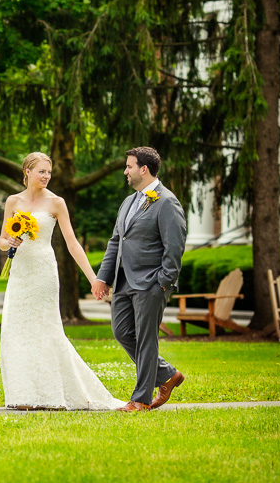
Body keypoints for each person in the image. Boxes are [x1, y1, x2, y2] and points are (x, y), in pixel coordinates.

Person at [0, 152, 125, 410]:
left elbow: (72, 243)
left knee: (46, 330)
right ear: (27, 172)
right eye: (42, 171)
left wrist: (94, 278)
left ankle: (51, 394)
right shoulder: (13, 201)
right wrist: (8, 243)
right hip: (20, 273)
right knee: (17, 330)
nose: (46, 176)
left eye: (49, 172)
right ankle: (24, 395)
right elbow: (1, 241)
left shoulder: (57, 203)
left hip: (44, 272)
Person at [92, 147, 187, 412]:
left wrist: (163, 283)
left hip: (151, 285)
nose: (125, 171)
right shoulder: (128, 202)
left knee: (147, 340)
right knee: (122, 332)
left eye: (129, 166)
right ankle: (167, 374)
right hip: (123, 283)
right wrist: (103, 277)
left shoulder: (167, 202)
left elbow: (175, 247)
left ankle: (141, 399)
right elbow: (116, 242)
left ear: (143, 169)